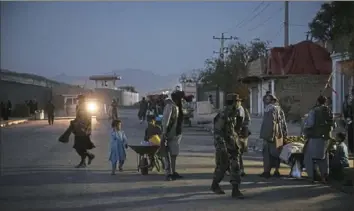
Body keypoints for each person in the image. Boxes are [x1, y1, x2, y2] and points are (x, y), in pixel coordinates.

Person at [211, 93, 244, 199]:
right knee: (222, 167)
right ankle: (214, 185)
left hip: (233, 144)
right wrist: (222, 147)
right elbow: (217, 132)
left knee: (235, 166)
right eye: (238, 101)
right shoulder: (223, 114)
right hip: (223, 145)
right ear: (233, 102)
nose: (239, 103)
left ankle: (235, 189)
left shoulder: (235, 113)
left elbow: (235, 129)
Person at [303, 95, 334, 183]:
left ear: (317, 101)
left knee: (311, 157)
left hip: (315, 136)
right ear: (325, 102)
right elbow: (333, 124)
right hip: (326, 137)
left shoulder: (314, 111)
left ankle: (312, 177)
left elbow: (310, 124)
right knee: (324, 157)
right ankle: (324, 177)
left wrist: (304, 127)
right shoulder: (328, 110)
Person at [259, 94, 287, 178]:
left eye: (268, 99)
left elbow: (268, 124)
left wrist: (265, 135)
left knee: (267, 154)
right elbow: (284, 123)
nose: (266, 101)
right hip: (279, 134)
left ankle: (267, 172)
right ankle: (276, 171)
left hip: (270, 135)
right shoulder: (279, 109)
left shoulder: (269, 108)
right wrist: (285, 134)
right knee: (276, 153)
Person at [161, 92, 183, 181]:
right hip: (169, 134)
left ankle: (173, 172)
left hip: (174, 135)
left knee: (173, 154)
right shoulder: (170, 106)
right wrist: (164, 133)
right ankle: (168, 173)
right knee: (166, 154)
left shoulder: (176, 107)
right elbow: (166, 120)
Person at [72, 95, 95, 168]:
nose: (78, 100)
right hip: (80, 129)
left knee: (79, 147)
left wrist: (86, 129)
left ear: (82, 99)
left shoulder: (84, 107)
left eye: (79, 99)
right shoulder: (80, 106)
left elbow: (87, 119)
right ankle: (86, 159)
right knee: (80, 147)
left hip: (83, 130)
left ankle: (87, 158)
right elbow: (78, 118)